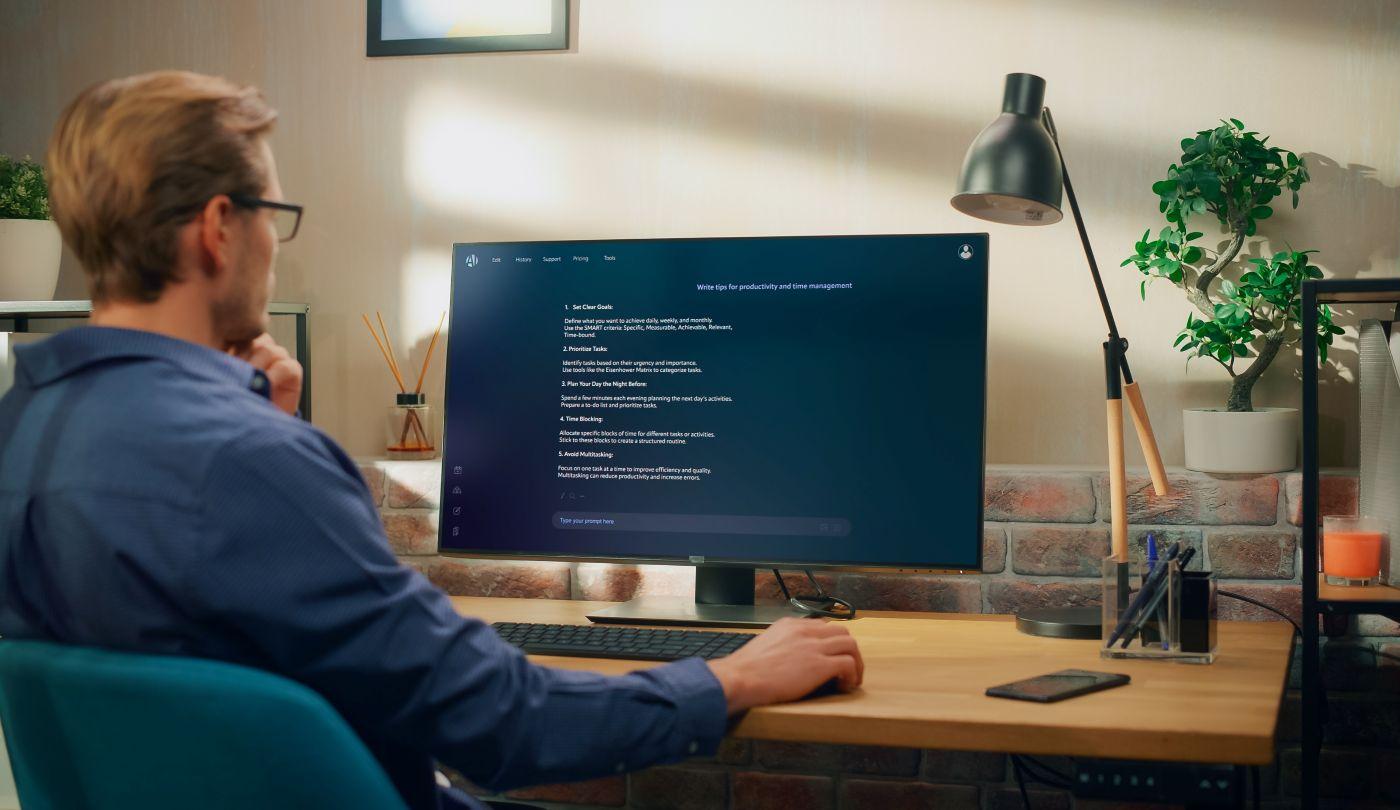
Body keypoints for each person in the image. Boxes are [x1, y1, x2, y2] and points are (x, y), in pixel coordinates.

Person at [0, 71, 864, 810]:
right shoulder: (248, 464)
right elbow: (507, 725)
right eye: (273, 212)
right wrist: (734, 677)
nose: (273, 240)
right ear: (218, 227)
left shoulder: (22, 430)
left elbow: (207, 678)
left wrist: (258, 419)